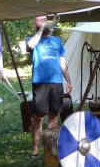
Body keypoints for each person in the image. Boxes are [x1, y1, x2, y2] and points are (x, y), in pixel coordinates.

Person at [26, 15, 72, 158]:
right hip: (40, 83)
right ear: (35, 24)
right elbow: (30, 46)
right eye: (40, 20)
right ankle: (35, 151)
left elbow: (62, 63)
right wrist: (41, 30)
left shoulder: (57, 41)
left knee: (53, 116)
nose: (43, 22)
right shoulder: (32, 39)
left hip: (56, 83)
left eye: (45, 20)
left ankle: (50, 150)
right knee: (38, 117)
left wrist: (68, 80)